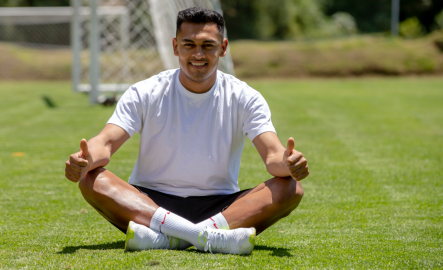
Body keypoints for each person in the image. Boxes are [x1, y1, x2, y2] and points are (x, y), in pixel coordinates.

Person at [64, 7, 308, 255]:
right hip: (149, 203)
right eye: (189, 44)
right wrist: (85, 159)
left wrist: (289, 164)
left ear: (223, 48)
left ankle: (171, 238)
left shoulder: (245, 97)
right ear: (175, 46)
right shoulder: (145, 91)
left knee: (291, 187)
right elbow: (104, 143)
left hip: (221, 206)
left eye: (208, 46)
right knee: (90, 178)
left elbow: (273, 155)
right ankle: (207, 238)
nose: (198, 54)